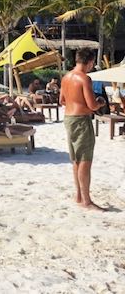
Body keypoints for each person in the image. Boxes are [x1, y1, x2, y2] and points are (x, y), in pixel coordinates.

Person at [60, 48, 105, 211]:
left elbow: (62, 100)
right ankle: (86, 201)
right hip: (81, 121)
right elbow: (92, 106)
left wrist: (77, 104)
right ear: (90, 62)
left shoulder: (66, 77)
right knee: (85, 161)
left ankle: (79, 195)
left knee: (76, 160)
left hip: (69, 119)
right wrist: (100, 103)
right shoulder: (84, 78)